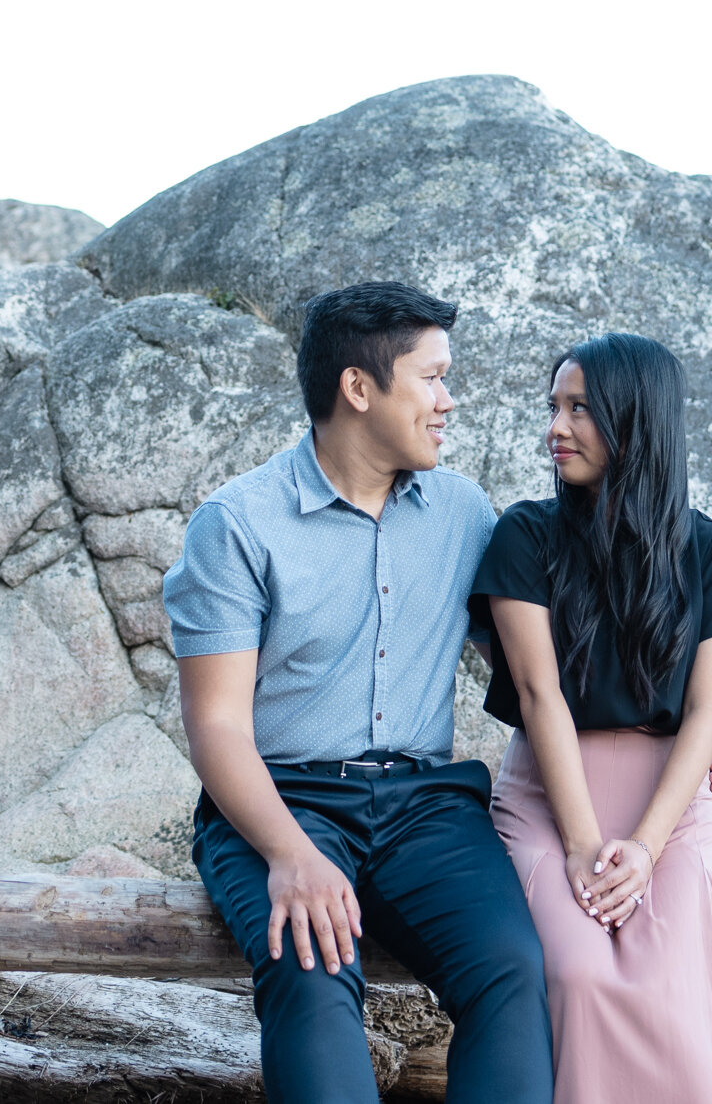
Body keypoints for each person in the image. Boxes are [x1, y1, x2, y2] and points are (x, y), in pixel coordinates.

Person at [162, 282, 552, 1104]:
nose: (450, 400)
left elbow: (536, 678)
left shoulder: (462, 511)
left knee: (514, 967)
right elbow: (218, 726)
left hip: (427, 807)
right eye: (433, 378)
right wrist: (290, 854)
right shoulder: (237, 524)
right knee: (310, 972)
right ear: (359, 387)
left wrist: (662, 751)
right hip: (282, 799)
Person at [470, 332, 712, 1104]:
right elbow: (540, 696)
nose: (557, 426)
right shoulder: (525, 535)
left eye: (580, 408)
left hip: (671, 812)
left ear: (635, 419)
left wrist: (644, 847)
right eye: (553, 406)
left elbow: (707, 712)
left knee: (677, 984)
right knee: (575, 974)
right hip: (550, 799)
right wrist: (581, 845)